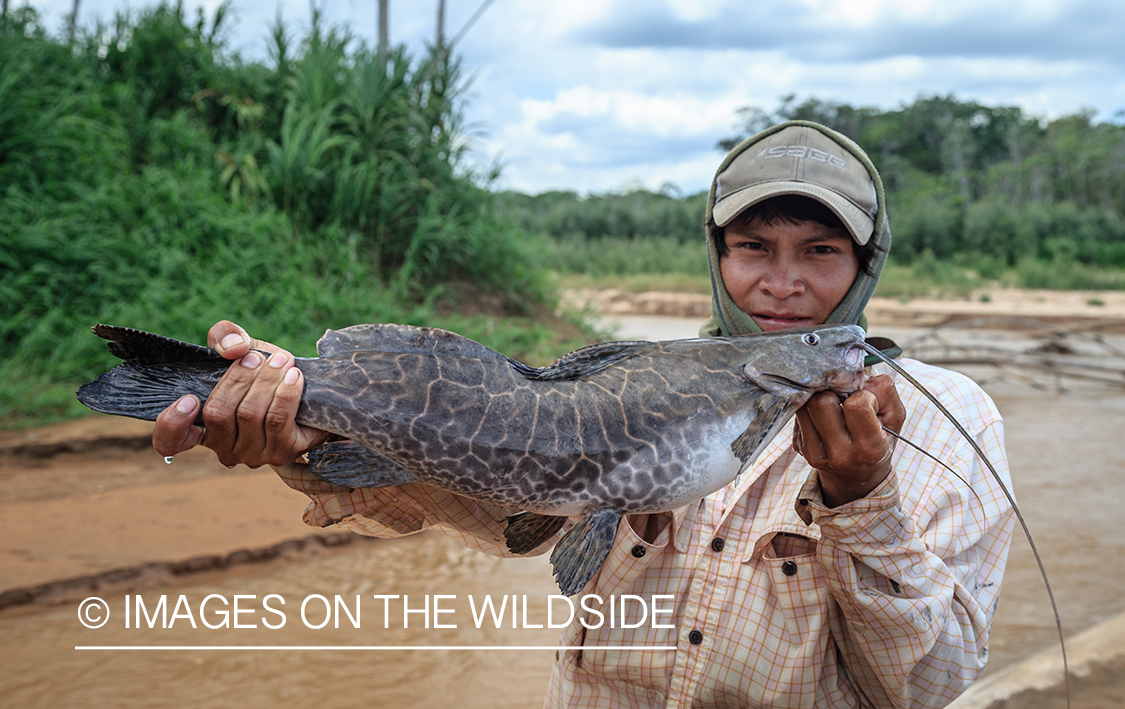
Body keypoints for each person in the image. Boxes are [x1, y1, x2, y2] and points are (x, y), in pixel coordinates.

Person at [154, 121, 1015, 708]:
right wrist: (311, 436)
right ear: (717, 256)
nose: (783, 283)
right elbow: (514, 521)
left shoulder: (951, 422)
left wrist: (863, 494)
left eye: (820, 252)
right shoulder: (640, 380)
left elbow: (926, 686)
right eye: (753, 247)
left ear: (865, 266)